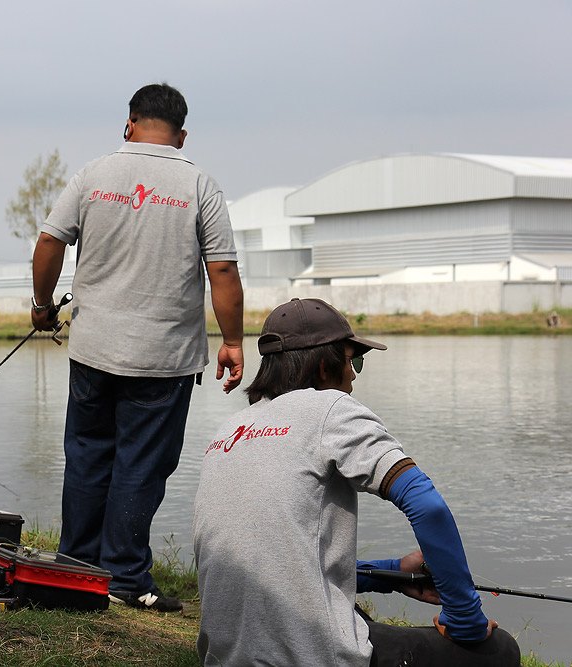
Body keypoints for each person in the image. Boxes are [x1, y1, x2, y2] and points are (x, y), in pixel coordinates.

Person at [193, 298, 520, 666]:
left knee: (356, 616)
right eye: (353, 361)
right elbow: (427, 505)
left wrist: (392, 573)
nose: (352, 378)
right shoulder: (331, 408)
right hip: (310, 657)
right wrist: (464, 618)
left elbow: (278, 560)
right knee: (499, 650)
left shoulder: (229, 431)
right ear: (322, 367)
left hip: (227, 657)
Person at [31, 82, 245, 612]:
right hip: (163, 359)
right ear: (182, 134)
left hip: (94, 353)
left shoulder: (93, 175)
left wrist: (41, 306)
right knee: (140, 466)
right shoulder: (199, 185)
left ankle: (75, 567)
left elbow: (49, 242)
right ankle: (125, 579)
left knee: (86, 457)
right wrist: (235, 342)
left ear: (128, 123)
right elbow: (221, 269)